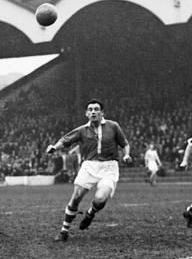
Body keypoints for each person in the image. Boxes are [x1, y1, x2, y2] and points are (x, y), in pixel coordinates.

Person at [46, 98, 132, 241]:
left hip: (109, 167)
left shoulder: (113, 126)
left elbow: (125, 144)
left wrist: (127, 154)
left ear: (102, 112)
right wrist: (54, 147)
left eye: (96, 109)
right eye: (90, 109)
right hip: (89, 166)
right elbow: (66, 139)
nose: (93, 112)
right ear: (86, 113)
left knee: (100, 199)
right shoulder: (82, 130)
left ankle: (91, 213)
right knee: (76, 198)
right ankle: (64, 231)